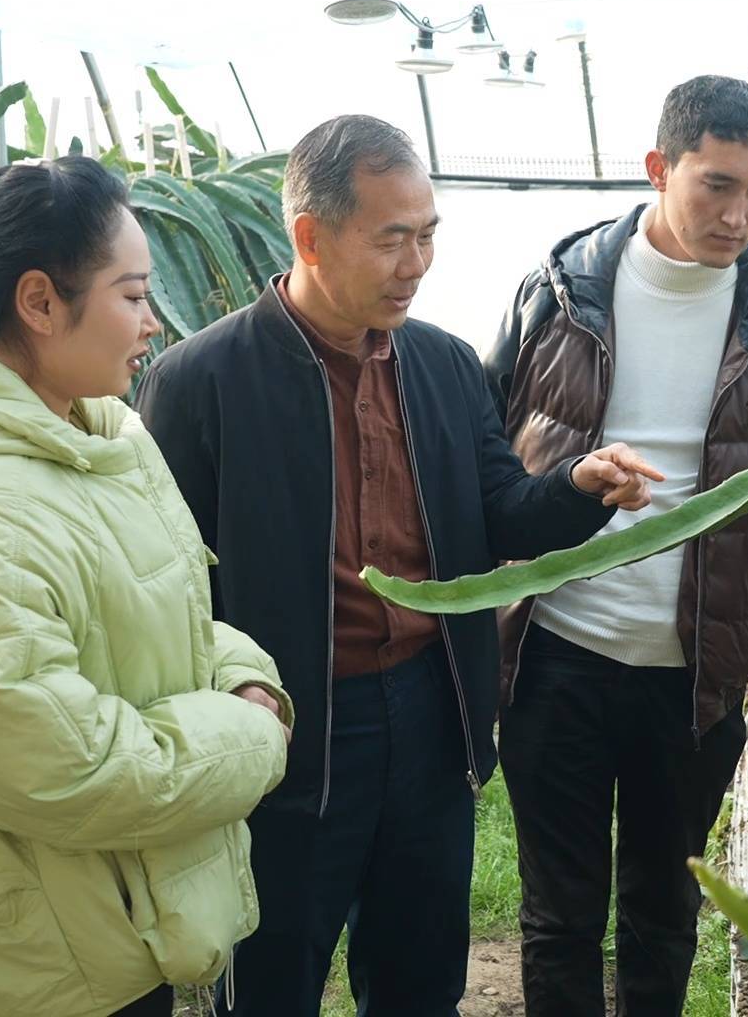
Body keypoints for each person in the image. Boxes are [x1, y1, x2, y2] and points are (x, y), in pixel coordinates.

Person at [134, 114, 658, 1017]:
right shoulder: (200, 382)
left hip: (430, 709)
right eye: (391, 240)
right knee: (270, 980)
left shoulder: (445, 366)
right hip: (289, 724)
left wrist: (577, 485)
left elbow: (500, 511)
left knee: (421, 981)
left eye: (428, 237)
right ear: (310, 235)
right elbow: (166, 580)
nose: (417, 264)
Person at [484, 75, 748, 1016]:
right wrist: (565, 495)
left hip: (697, 674)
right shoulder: (557, 296)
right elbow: (491, 459)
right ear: (656, 169)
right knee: (560, 914)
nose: (740, 214)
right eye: (717, 184)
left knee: (664, 909)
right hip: (557, 655)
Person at [0, 156, 294, 1017]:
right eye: (131, 295)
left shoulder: (104, 440)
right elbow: (61, 766)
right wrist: (248, 734)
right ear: (41, 303)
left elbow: (166, 614)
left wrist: (244, 673)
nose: (154, 323)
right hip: (40, 967)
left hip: (108, 924)